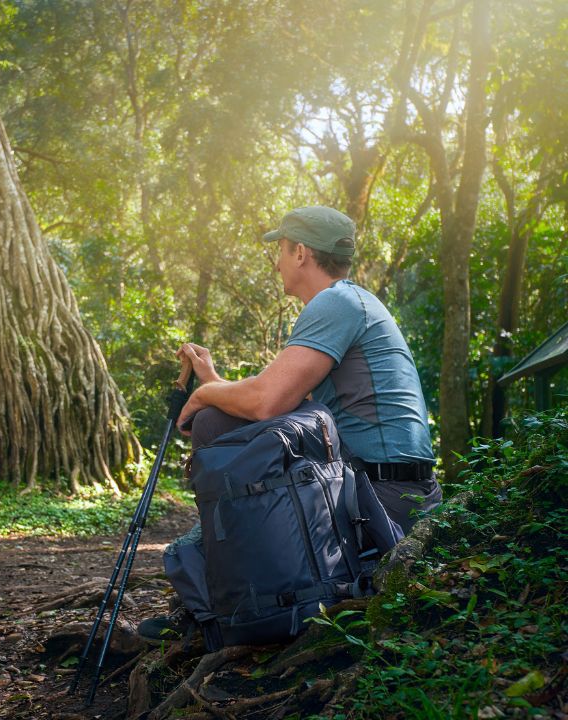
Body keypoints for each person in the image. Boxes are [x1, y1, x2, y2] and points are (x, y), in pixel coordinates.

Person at [139, 205, 442, 640]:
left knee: (209, 426)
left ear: (301, 252)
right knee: (219, 432)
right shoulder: (353, 301)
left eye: (280, 249)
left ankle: (216, 613)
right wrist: (215, 381)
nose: (277, 261)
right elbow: (280, 404)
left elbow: (267, 403)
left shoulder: (335, 302)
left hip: (382, 496)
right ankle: (214, 601)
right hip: (388, 486)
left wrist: (204, 395)